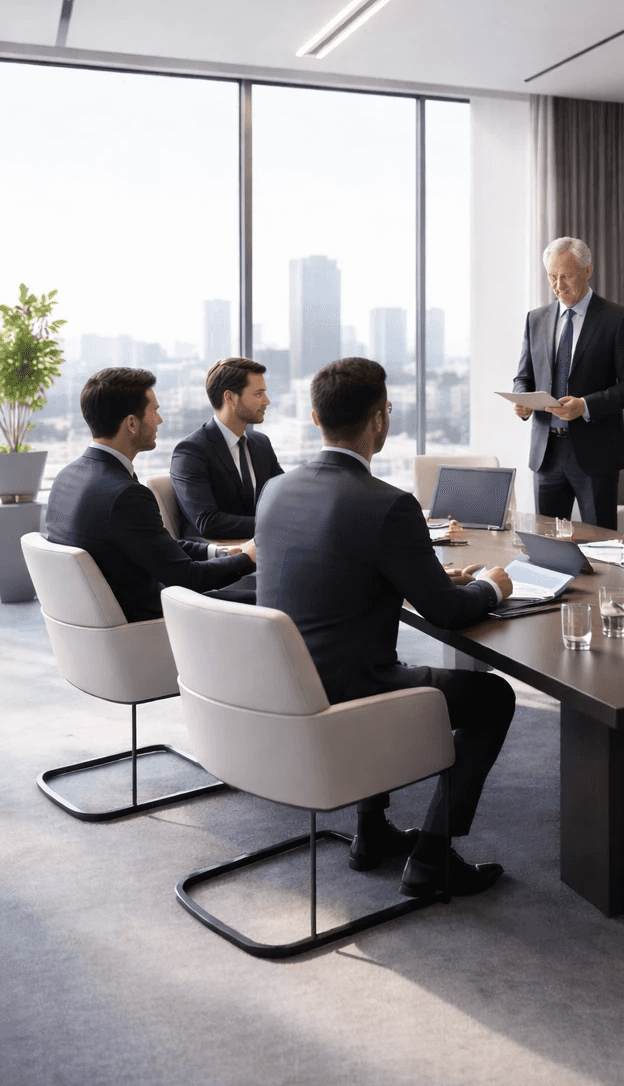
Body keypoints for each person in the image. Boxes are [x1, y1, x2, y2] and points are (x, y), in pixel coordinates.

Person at [256, 358, 516, 898]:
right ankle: (432, 859)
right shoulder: (388, 504)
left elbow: (335, 571)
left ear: (315, 417)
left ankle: (371, 830)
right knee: (493, 696)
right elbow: (445, 612)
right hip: (350, 695)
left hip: (285, 687)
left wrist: (425, 576)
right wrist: (491, 586)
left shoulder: (275, 491)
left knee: (373, 657)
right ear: (380, 420)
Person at [46, 368, 256, 623]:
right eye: (154, 411)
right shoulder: (125, 494)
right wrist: (248, 558)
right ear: (131, 424)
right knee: (276, 604)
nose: (160, 420)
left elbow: (156, 547)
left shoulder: (67, 477)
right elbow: (187, 578)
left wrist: (225, 552)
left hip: (104, 624)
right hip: (152, 626)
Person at [512, 236, 624, 531]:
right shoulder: (535, 319)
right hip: (546, 453)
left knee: (600, 544)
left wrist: (585, 405)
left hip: (596, 454)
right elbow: (524, 377)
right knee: (546, 542)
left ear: (587, 271)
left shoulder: (617, 319)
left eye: (566, 276)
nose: (558, 285)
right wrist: (522, 400)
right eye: (552, 276)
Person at [170, 357, 283, 541]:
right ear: (230, 398)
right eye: (258, 394)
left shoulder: (261, 444)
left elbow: (283, 496)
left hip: (262, 547)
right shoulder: (190, 452)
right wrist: (275, 524)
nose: (267, 401)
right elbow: (208, 522)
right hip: (219, 553)